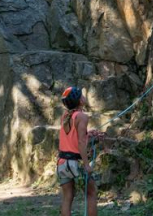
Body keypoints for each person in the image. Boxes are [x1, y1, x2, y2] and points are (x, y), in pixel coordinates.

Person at [57, 86, 103, 216]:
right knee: (91, 193)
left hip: (62, 162)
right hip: (76, 162)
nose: (84, 97)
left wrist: (89, 135)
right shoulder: (82, 117)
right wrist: (87, 164)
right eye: (82, 96)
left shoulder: (65, 116)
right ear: (80, 101)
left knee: (67, 197)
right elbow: (81, 142)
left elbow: (73, 136)